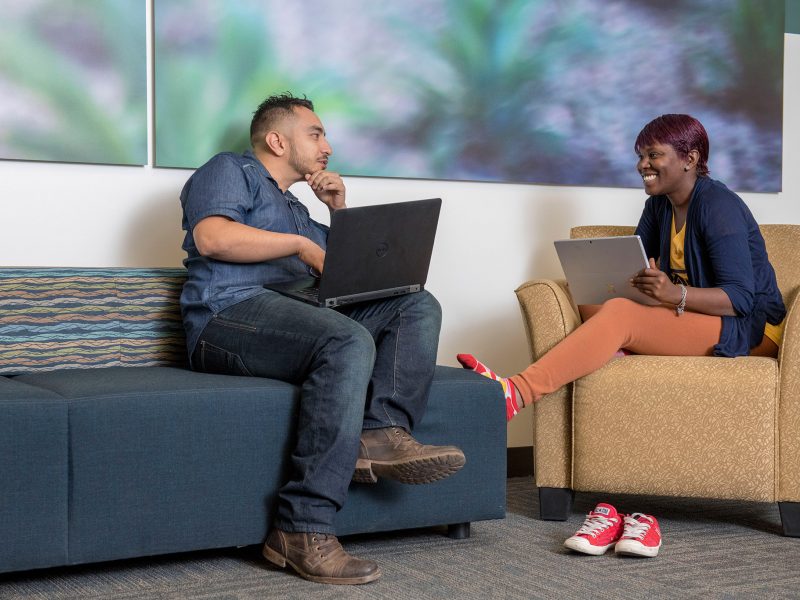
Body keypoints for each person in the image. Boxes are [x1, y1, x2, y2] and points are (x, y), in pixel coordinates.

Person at [179, 92, 465, 585]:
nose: (327, 145)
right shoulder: (230, 170)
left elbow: (346, 277)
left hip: (299, 314)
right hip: (226, 316)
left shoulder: (296, 208)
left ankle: (378, 431)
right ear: (276, 139)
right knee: (347, 339)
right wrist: (302, 246)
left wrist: (337, 209)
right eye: (315, 134)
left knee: (417, 303)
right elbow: (213, 238)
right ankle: (300, 527)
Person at [458, 113, 786, 421]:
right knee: (588, 292)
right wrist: (623, 281)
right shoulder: (659, 205)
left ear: (690, 159)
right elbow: (634, 267)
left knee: (619, 314)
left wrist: (673, 294)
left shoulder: (718, 206)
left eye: (654, 155)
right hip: (698, 313)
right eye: (640, 155)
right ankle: (618, 345)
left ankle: (516, 392)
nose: (643, 164)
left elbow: (740, 299)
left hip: (750, 329)